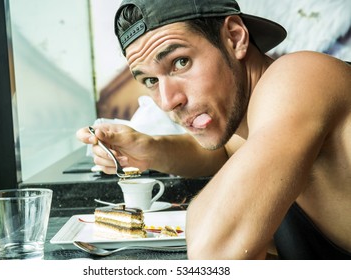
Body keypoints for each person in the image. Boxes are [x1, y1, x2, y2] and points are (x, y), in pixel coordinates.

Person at [76, 0, 351, 259]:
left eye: (180, 62)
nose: (168, 100)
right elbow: (223, 152)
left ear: (234, 37)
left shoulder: (300, 78)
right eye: (150, 80)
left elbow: (214, 250)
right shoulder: (254, 124)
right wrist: (148, 148)